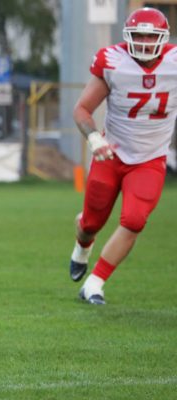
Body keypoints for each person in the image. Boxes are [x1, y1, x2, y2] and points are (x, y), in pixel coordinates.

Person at [69, 7, 176, 305]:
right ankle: (82, 247)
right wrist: (93, 138)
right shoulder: (113, 61)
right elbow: (82, 109)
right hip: (111, 154)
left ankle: (95, 283)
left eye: (149, 35)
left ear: (163, 38)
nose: (143, 41)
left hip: (150, 159)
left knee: (134, 219)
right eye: (137, 35)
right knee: (91, 222)